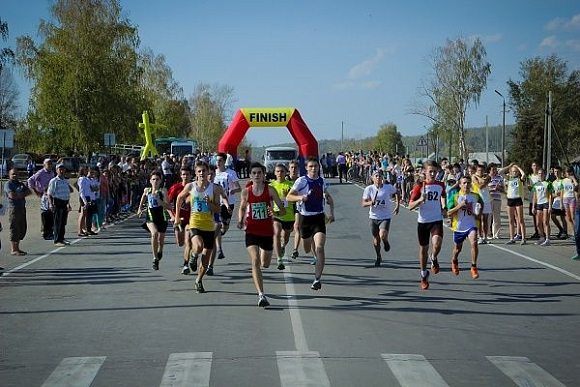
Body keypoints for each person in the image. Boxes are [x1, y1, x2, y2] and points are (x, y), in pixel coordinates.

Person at [237, 162, 286, 307]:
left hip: (266, 231)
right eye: (254, 173)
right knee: (255, 260)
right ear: (250, 176)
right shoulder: (246, 192)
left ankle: (261, 290)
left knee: (265, 263)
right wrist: (240, 220)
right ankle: (261, 295)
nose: (257, 175)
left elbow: (282, 211)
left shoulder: (270, 190)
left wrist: (275, 212)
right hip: (251, 230)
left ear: (263, 175)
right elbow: (242, 208)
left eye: (259, 173)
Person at [286, 156, 335, 291]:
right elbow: (289, 197)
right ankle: (309, 244)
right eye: (311, 166)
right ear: (306, 168)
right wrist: (300, 197)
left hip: (318, 218)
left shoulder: (322, 181)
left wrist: (331, 212)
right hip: (305, 219)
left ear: (319, 167)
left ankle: (317, 279)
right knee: (307, 248)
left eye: (316, 166)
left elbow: (328, 196)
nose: (314, 169)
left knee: (320, 248)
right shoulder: (301, 181)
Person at [176, 161, 222, 293]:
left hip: (209, 226)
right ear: (196, 173)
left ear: (208, 173)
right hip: (195, 223)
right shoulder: (191, 187)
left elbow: (218, 209)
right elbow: (179, 198)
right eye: (199, 171)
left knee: (206, 257)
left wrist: (210, 204)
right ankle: (193, 255)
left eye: (204, 171)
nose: (202, 173)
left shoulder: (215, 189)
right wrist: (178, 216)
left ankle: (199, 280)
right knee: (198, 246)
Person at [408, 160, 446, 290]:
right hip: (423, 221)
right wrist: (420, 199)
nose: (433, 174)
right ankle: (424, 274)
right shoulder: (419, 186)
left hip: (436, 220)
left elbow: (443, 196)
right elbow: (410, 206)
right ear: (425, 172)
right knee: (423, 249)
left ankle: (434, 257)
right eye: (430, 171)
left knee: (437, 243)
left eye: (435, 171)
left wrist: (444, 207)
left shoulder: (441, 185)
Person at [361, 169, 400, 266]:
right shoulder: (369, 189)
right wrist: (371, 202)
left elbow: (397, 192)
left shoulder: (388, 187)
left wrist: (397, 205)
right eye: (376, 176)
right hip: (374, 217)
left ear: (382, 178)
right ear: (372, 178)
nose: (378, 178)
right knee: (376, 240)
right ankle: (378, 256)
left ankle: (386, 241)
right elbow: (363, 203)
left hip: (385, 216)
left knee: (382, 235)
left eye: (380, 176)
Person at [447, 176, 483, 279]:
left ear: (470, 184)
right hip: (459, 226)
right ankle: (454, 261)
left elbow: (481, 204)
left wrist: (478, 213)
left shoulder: (475, 196)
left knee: (474, 242)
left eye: (468, 183)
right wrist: (459, 206)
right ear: (460, 185)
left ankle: (473, 267)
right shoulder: (455, 196)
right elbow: (448, 212)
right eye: (464, 183)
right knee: (458, 249)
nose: (466, 185)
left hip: (472, 224)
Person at [137, 171, 171, 270]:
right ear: (150, 181)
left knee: (161, 240)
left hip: (161, 216)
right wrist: (140, 208)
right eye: (153, 179)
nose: (155, 181)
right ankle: (155, 258)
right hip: (150, 217)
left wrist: (160, 201)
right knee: (154, 234)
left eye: (157, 179)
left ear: (160, 181)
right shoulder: (147, 190)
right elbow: (143, 198)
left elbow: (168, 206)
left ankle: (160, 250)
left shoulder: (163, 191)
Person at [213, 152, 241, 259]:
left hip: (229, 203)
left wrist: (233, 190)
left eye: (220, 160)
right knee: (218, 224)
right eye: (217, 160)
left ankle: (221, 232)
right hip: (216, 203)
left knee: (225, 226)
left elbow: (239, 188)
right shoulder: (213, 173)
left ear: (224, 161)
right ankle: (219, 249)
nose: (218, 162)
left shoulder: (230, 173)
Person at [270, 163, 295, 270]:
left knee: (285, 238)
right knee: (276, 233)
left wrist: (288, 196)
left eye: (282, 171)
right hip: (276, 214)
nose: (280, 173)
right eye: (278, 171)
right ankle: (279, 259)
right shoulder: (271, 186)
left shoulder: (290, 185)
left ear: (285, 173)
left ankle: (282, 246)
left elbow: (295, 199)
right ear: (275, 173)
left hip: (289, 216)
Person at [168, 167, 193, 274]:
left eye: (187, 174)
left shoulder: (194, 187)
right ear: (181, 175)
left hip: (191, 219)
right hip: (178, 219)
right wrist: (173, 216)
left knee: (188, 242)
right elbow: (168, 204)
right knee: (180, 242)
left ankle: (186, 265)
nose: (185, 176)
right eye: (183, 174)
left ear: (191, 175)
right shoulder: (176, 188)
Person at [4, 168, 32, 255]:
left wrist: (20, 195)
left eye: (16, 174)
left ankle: (18, 248)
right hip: (14, 208)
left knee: (21, 228)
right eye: (13, 174)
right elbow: (12, 195)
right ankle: (13, 249)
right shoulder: (8, 184)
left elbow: (29, 192)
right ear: (9, 175)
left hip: (22, 207)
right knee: (14, 228)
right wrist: (21, 195)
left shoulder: (20, 184)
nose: (15, 175)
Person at [499, 163, 527, 245]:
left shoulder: (520, 179)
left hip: (518, 199)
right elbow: (500, 172)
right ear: (510, 172)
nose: (514, 173)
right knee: (511, 220)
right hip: (510, 200)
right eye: (513, 171)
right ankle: (511, 238)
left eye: (516, 172)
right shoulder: (509, 178)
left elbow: (524, 174)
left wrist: (518, 167)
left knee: (520, 219)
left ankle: (523, 238)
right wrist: (509, 166)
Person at [28, 158, 56, 240]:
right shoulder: (41, 172)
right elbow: (30, 180)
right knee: (45, 213)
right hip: (44, 194)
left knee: (51, 213)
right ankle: (45, 232)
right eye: (48, 164)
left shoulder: (52, 173)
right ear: (44, 165)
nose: (50, 165)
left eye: (51, 163)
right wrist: (36, 191)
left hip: (51, 194)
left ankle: (50, 231)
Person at [47, 163, 74, 247]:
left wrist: (68, 204)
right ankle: (57, 240)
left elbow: (68, 193)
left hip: (64, 202)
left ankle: (62, 238)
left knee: (63, 222)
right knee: (57, 222)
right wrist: (51, 204)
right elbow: (49, 194)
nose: (62, 171)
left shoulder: (65, 181)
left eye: (63, 169)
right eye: (60, 169)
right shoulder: (54, 181)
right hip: (57, 202)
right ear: (56, 170)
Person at [531, 168, 553, 246]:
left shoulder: (548, 183)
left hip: (546, 203)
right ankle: (542, 237)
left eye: (542, 173)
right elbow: (534, 196)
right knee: (538, 223)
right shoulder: (536, 184)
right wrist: (533, 206)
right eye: (539, 174)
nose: (540, 175)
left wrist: (550, 206)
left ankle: (548, 239)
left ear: (544, 175)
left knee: (545, 222)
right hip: (539, 204)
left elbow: (550, 195)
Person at [471, 164, 492, 244]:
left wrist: (482, 180)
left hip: (486, 200)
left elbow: (486, 181)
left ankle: (485, 237)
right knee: (479, 219)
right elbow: (479, 186)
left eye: (482, 170)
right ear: (476, 171)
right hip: (477, 200)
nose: (481, 172)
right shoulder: (474, 177)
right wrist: (482, 180)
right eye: (479, 170)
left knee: (485, 220)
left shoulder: (487, 176)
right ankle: (480, 236)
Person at [288, 160, 302, 260]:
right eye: (292, 167)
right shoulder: (284, 179)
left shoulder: (301, 181)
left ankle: (295, 249)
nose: (293, 170)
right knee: (287, 232)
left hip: (297, 207)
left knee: (297, 227)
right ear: (289, 169)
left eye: (295, 168)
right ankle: (283, 244)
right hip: (286, 209)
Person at [550, 166, 568, 240]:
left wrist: (561, 193)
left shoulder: (564, 181)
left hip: (563, 202)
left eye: (558, 171)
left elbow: (566, 191)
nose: (556, 173)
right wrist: (555, 194)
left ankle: (565, 232)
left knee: (563, 217)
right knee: (553, 216)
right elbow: (552, 194)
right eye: (555, 172)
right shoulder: (553, 182)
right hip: (555, 202)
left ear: (561, 172)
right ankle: (561, 229)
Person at [487, 164, 504, 239]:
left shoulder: (500, 178)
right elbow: (483, 189)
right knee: (488, 218)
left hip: (497, 199)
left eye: (495, 169)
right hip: (488, 199)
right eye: (492, 169)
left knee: (496, 217)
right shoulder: (486, 177)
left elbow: (503, 189)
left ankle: (496, 234)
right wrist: (492, 189)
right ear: (489, 170)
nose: (494, 171)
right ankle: (488, 233)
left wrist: (498, 188)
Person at [561, 167, 578, 240]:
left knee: (573, 217)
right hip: (565, 199)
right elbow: (562, 192)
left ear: (571, 172)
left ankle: (577, 233)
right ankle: (573, 233)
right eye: (567, 172)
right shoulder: (563, 181)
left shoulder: (574, 180)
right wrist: (561, 203)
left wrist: (573, 179)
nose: (568, 174)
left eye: (569, 172)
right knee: (569, 218)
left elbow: (577, 187)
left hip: (572, 199)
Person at [526, 161, 541, 239]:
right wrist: (529, 187)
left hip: (540, 199)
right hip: (532, 199)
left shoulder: (540, 176)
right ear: (531, 167)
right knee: (534, 216)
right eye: (533, 166)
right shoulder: (530, 176)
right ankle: (536, 231)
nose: (534, 167)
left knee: (540, 216)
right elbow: (529, 186)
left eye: (536, 165)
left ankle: (541, 231)